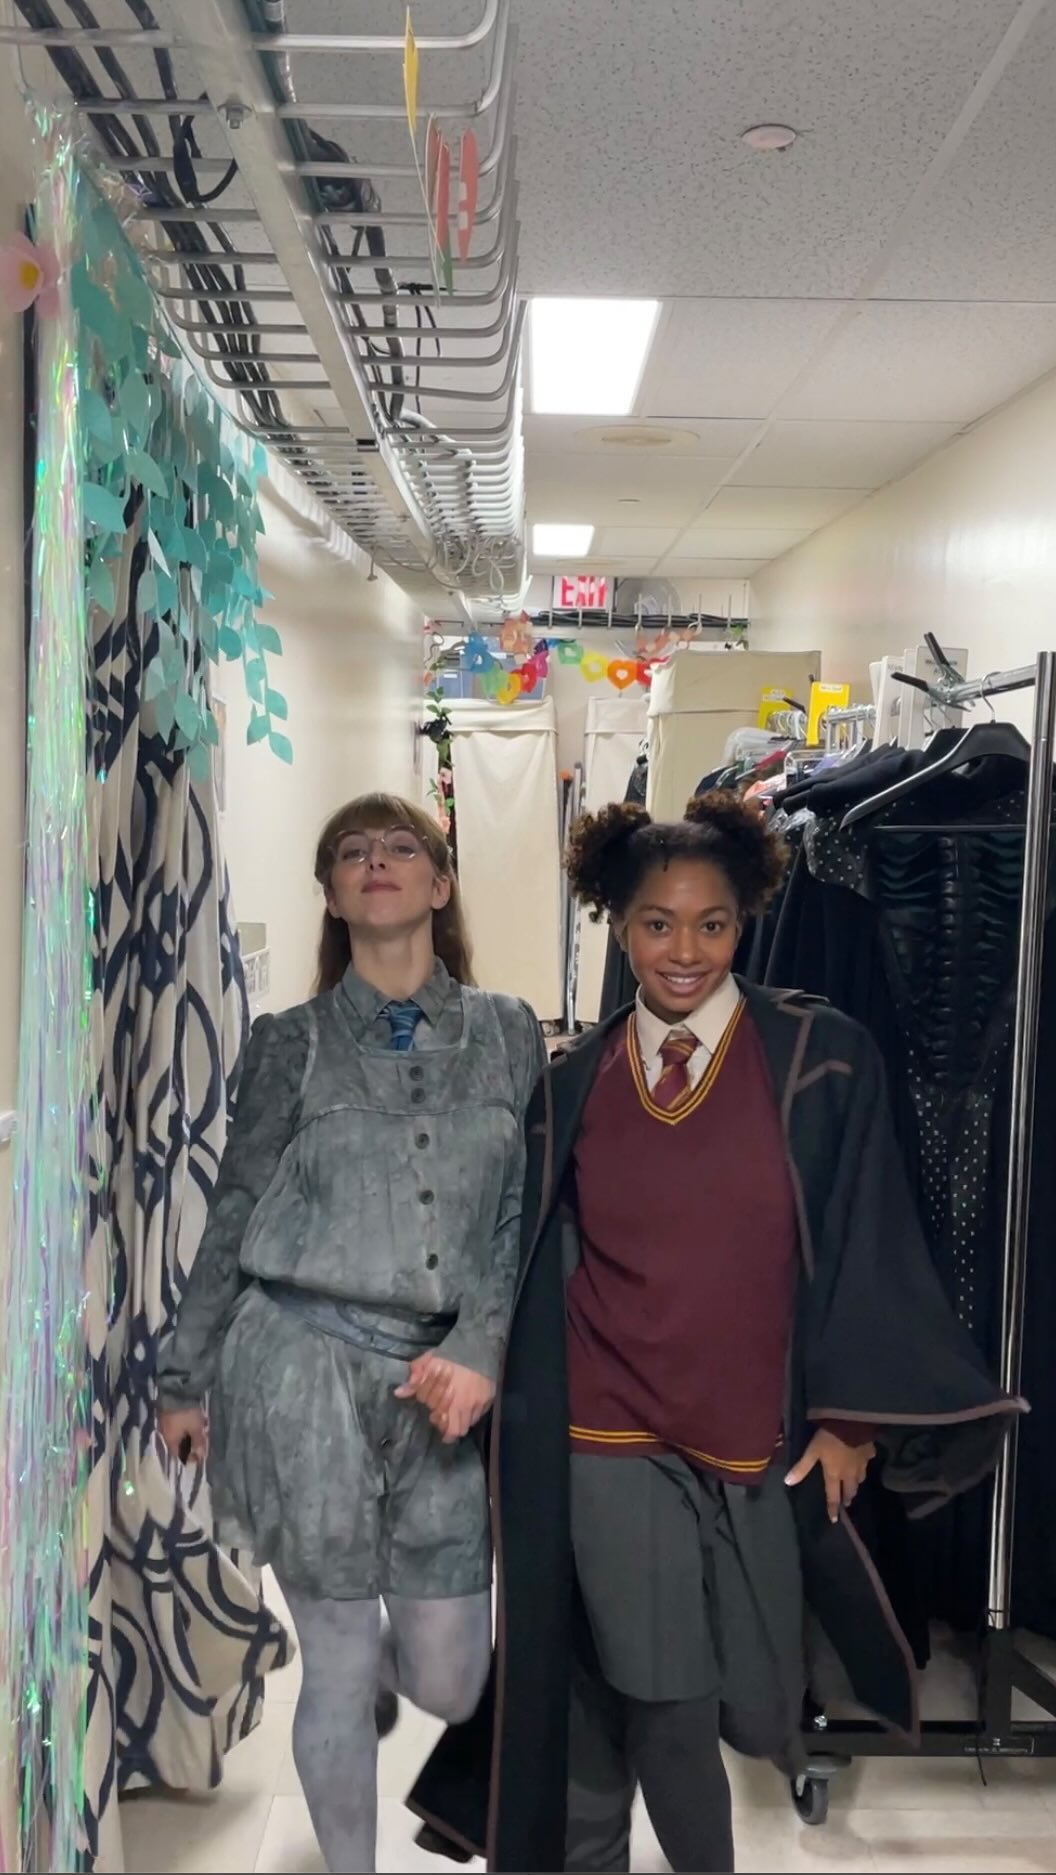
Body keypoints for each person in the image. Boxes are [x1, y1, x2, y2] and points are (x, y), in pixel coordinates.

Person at [408, 792, 1022, 1873]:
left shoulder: (821, 1060)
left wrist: (849, 1419)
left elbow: (870, 1236)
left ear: (746, 922)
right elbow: (518, 1254)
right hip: (609, 1432)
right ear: (617, 925)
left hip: (753, 1436)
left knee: (757, 1693)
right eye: (657, 923)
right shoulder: (572, 1085)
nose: (684, 951)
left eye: (712, 923)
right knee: (668, 1694)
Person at [157, 793, 545, 1875]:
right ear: (330, 892)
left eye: (402, 847)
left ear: (441, 883)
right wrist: (184, 1376)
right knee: (331, 1661)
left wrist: (480, 1342)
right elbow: (236, 1207)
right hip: (300, 1369)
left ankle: (379, 1655)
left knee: (451, 1678)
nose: (378, 861)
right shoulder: (288, 1044)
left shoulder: (509, 1031)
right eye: (353, 852)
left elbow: (521, 1211)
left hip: (441, 1383)